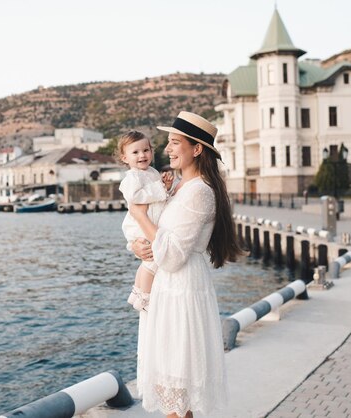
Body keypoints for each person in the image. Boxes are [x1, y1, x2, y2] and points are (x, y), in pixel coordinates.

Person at [129, 111, 244, 418]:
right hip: (171, 288)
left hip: (182, 289)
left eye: (175, 142)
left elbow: (173, 253)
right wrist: (139, 244)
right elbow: (161, 238)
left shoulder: (200, 192)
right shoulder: (179, 186)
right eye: (168, 141)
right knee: (173, 387)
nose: (167, 149)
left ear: (196, 149)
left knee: (177, 386)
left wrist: (138, 213)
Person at [116, 130, 173, 311]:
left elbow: (160, 196)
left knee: (147, 262)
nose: (142, 155)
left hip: (150, 220)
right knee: (151, 261)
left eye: (146, 150)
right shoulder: (131, 177)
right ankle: (145, 297)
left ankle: (137, 291)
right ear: (125, 158)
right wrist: (159, 188)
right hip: (139, 225)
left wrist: (166, 186)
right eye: (135, 152)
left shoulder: (152, 172)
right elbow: (136, 196)